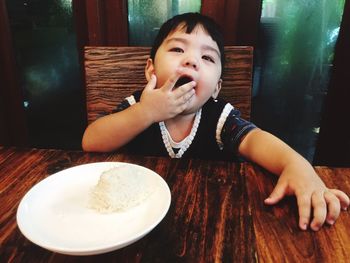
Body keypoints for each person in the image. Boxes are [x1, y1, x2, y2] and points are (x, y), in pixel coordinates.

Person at [82, 13, 349, 231]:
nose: (191, 60)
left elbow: (255, 139)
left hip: (208, 222)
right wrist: (147, 113)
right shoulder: (136, 107)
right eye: (177, 49)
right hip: (133, 220)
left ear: (216, 88)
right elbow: (91, 140)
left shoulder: (219, 117)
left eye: (207, 57)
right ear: (151, 69)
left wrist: (297, 165)